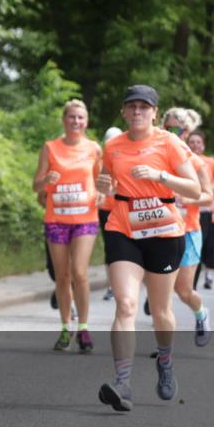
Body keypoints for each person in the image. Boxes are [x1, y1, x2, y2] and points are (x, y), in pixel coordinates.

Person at [96, 85, 201, 412]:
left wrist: (160, 175)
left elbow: (195, 190)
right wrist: (103, 186)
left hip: (164, 231)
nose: (138, 112)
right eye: (132, 107)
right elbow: (106, 184)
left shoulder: (169, 142)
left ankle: (165, 360)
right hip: (123, 227)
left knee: (161, 312)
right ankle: (122, 383)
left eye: (144, 107)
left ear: (155, 112)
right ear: (124, 112)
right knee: (126, 304)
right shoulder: (112, 146)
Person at [33, 99, 102, 353]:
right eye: (71, 117)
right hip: (56, 219)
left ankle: (83, 327)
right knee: (62, 276)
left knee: (79, 273)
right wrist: (45, 180)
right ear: (64, 120)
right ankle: (66, 328)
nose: (76, 121)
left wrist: (104, 194)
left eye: (80, 118)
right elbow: (36, 186)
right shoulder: (50, 148)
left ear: (87, 121)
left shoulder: (94, 149)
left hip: (85, 219)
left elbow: (102, 181)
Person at [160, 108, 213, 347]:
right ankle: (165, 346)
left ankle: (201, 314)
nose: (172, 133)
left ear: (187, 132)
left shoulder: (196, 162)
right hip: (160, 229)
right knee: (162, 291)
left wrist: (190, 199)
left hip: (188, 230)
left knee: (183, 291)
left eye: (177, 130)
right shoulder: (157, 157)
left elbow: (209, 197)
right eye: (167, 128)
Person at [188, 130, 214, 290]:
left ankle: (193, 284)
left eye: (198, 142)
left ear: (203, 146)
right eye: (192, 142)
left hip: (203, 210)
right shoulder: (181, 159)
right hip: (183, 209)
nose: (195, 145)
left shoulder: (210, 162)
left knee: (200, 245)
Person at [100, 126, 123, 301]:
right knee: (110, 248)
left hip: (124, 209)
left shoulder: (126, 157)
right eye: (108, 140)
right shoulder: (101, 160)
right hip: (105, 210)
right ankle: (111, 286)